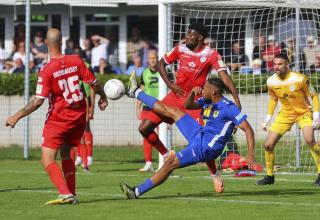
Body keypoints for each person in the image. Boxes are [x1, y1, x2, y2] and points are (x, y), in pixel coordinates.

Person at [5, 28, 108, 205]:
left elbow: (38, 101)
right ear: (61, 42)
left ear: (46, 43)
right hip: (78, 117)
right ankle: (71, 193)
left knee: (47, 159)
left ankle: (64, 193)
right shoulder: (76, 60)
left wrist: (16, 116)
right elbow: (94, 83)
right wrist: (103, 96)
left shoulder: (46, 70)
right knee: (66, 153)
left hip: (59, 119)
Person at [137, 23, 241, 192]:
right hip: (175, 96)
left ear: (200, 37)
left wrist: (236, 98)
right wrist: (170, 85)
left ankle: (214, 174)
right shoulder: (180, 48)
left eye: (191, 35)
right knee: (144, 128)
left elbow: (224, 76)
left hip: (195, 102)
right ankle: (165, 154)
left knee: (201, 142)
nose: (187, 37)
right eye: (187, 34)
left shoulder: (211, 54)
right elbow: (160, 65)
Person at [120, 74, 256, 199]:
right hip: (199, 133)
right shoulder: (208, 100)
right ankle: (136, 92)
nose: (203, 89)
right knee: (174, 111)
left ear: (214, 92)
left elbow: (248, 130)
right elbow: (187, 106)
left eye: (206, 88)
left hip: (206, 148)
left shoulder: (229, 107)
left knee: (170, 163)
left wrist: (250, 155)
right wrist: (192, 94)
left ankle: (136, 192)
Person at [257, 53, 320, 185]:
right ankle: (269, 176)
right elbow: (273, 99)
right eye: (274, 64)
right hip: (285, 115)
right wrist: (267, 119)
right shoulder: (271, 81)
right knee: (268, 145)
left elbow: (314, 95)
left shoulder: (300, 79)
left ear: (287, 65)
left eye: (280, 64)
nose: (276, 67)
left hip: (304, 113)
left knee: (309, 140)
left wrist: (316, 116)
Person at [136, 49, 160, 172]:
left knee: (162, 135)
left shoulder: (163, 72)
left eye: (154, 57)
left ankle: (163, 161)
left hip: (161, 108)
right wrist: (137, 108)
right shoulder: (144, 73)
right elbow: (141, 90)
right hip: (147, 107)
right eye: (150, 58)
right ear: (147, 59)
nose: (152, 60)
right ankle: (148, 163)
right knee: (146, 135)